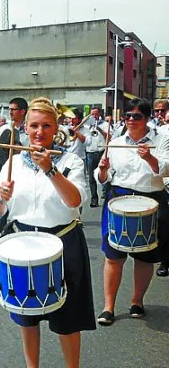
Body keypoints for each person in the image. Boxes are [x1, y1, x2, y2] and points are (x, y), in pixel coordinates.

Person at [0, 97, 95, 368]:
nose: (39, 132)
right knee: (27, 318)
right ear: (24, 127)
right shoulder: (13, 163)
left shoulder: (71, 161)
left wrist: (51, 170)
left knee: (67, 322)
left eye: (46, 125)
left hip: (63, 244)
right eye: (34, 125)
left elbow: (75, 201)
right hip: (22, 245)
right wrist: (1, 197)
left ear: (55, 127)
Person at [95, 98, 169, 322]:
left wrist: (149, 158)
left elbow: (166, 170)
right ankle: (108, 307)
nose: (130, 120)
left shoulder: (162, 139)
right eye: (127, 115)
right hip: (119, 198)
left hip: (151, 199)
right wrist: (102, 171)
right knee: (113, 257)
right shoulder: (115, 142)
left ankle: (137, 301)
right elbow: (101, 178)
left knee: (145, 258)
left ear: (147, 118)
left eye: (136, 116)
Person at [0, 97, 28, 261]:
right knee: (1, 211)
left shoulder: (28, 130)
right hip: (8, 174)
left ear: (23, 111)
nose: (10, 112)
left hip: (25, 176)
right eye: (10, 109)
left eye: (14, 109)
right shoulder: (5, 129)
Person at [85, 107, 109, 207]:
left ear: (99, 114)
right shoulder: (86, 126)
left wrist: (98, 128)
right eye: (92, 114)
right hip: (90, 153)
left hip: (101, 152)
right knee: (91, 178)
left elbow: (109, 137)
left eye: (95, 114)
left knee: (104, 175)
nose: (94, 116)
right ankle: (94, 199)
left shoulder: (105, 124)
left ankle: (105, 194)